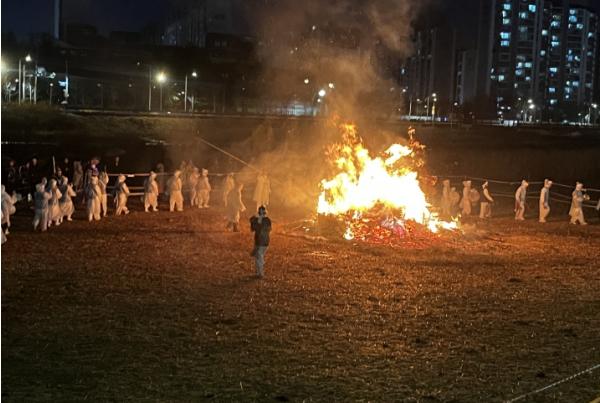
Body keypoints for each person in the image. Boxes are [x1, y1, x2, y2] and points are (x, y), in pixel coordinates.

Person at [250, 206, 272, 278]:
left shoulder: (267, 220)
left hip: (264, 242)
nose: (262, 213)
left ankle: (261, 273)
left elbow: (267, 229)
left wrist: (257, 223)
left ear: (265, 212)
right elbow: (253, 229)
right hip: (258, 241)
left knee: (260, 256)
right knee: (257, 257)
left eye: (263, 211)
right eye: (260, 211)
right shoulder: (257, 219)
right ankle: (258, 273)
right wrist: (252, 222)